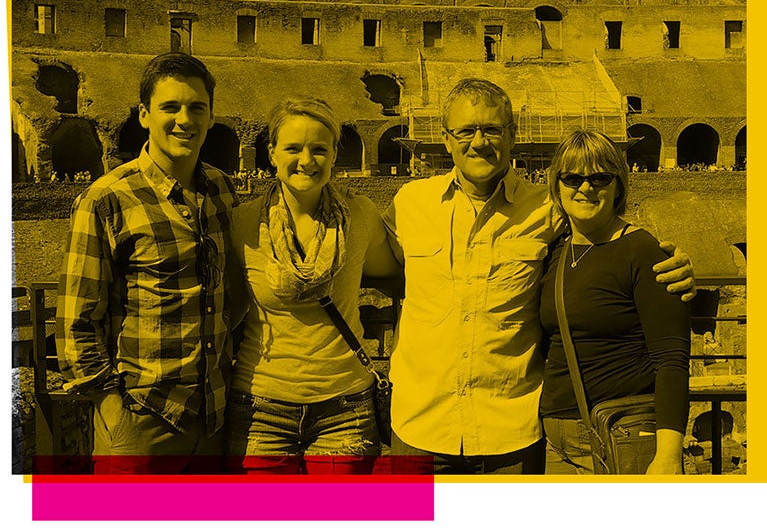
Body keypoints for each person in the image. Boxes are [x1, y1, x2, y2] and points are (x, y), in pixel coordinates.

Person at [383, 78, 694, 474]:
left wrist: (675, 268)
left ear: (512, 135)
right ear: (446, 139)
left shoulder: (547, 211)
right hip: (418, 427)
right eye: (465, 131)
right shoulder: (409, 203)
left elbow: (608, 241)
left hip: (511, 433)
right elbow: (362, 258)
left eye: (492, 129)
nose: (479, 142)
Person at [56, 52, 239, 474]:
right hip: (142, 420)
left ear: (211, 117)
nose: (184, 120)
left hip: (213, 418)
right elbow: (76, 321)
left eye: (197, 107)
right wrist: (112, 408)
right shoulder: (106, 199)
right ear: (144, 115)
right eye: (170, 107)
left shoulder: (223, 190)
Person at [225, 97, 401, 474]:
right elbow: (230, 308)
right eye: (292, 148)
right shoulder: (241, 224)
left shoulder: (360, 215)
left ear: (335, 154)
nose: (306, 160)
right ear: (271, 152)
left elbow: (395, 271)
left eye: (319, 148)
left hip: (345, 407)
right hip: (261, 407)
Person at [539, 130, 690, 474]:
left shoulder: (642, 251)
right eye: (573, 177)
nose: (586, 187)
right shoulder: (555, 251)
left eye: (600, 178)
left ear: (618, 185)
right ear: (557, 186)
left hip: (620, 434)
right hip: (553, 440)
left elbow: (671, 360)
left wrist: (668, 456)